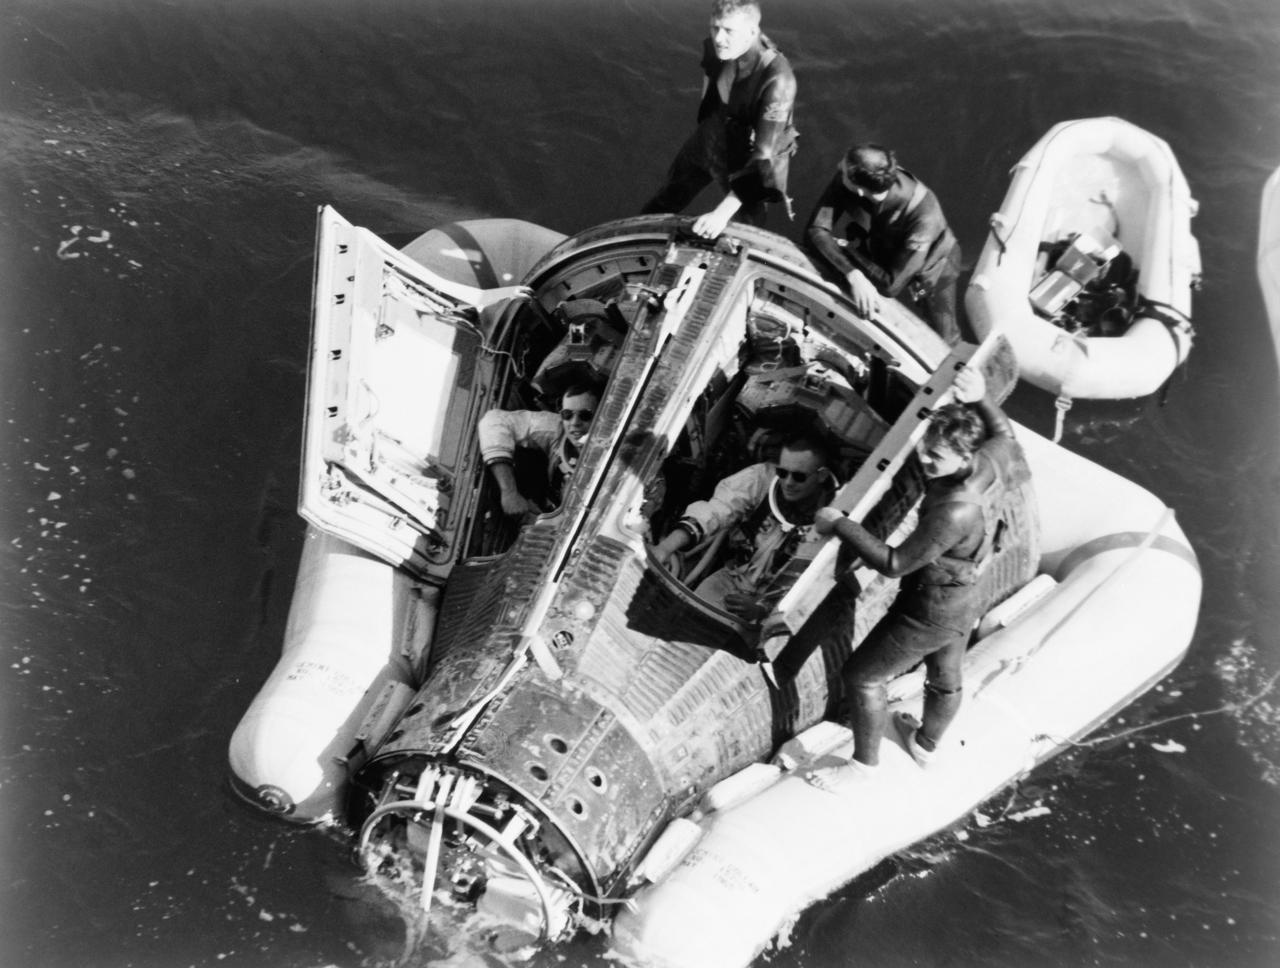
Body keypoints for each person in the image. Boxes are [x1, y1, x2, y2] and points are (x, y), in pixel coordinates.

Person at [806, 366, 1020, 788]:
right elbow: (1005, 434)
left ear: (962, 456)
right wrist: (980, 397)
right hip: (965, 598)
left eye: (935, 458)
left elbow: (895, 563)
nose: (924, 461)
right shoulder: (986, 461)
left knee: (862, 677)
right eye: (925, 450)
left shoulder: (954, 510)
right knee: (945, 678)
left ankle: (863, 768)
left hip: (929, 609)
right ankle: (926, 746)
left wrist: (840, 523)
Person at [640, 0, 798, 239]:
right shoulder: (719, 49)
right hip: (710, 136)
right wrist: (706, 127)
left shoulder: (778, 82)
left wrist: (721, 213)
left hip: (747, 158)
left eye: (729, 31)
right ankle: (637, 238)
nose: (719, 38)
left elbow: (764, 157)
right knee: (665, 200)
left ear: (752, 31)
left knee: (743, 232)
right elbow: (709, 85)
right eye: (715, 28)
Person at [652, 434, 835, 623]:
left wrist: (763, 608)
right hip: (729, 580)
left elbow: (820, 584)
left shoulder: (839, 514)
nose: (788, 482)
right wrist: (665, 548)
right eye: (782, 472)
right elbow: (715, 511)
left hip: (777, 607)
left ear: (821, 475)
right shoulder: (761, 479)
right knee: (681, 622)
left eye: (799, 476)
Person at [805, 144, 962, 344]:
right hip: (881, 243)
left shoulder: (924, 216)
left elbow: (891, 286)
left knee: (944, 336)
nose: (838, 166)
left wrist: (845, 250)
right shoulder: (851, 179)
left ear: (859, 189)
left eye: (843, 169)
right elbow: (814, 231)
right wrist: (853, 274)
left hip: (933, 263)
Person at [478, 384, 601, 518]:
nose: (575, 422)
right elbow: (493, 420)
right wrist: (509, 491)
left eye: (585, 415)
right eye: (567, 415)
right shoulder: (557, 430)